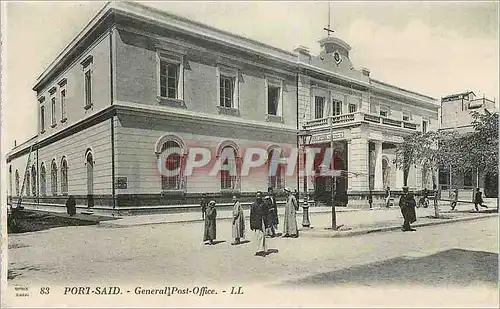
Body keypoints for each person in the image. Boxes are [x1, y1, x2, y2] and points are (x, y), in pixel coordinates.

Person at [250, 191, 268, 256]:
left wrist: (266, 222)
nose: (258, 197)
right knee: (257, 236)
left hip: (262, 221)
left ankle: (262, 250)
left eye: (259, 196)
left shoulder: (264, 204)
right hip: (256, 222)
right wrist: (251, 225)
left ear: (261, 197)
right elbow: (252, 215)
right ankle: (258, 250)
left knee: (262, 235)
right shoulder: (253, 205)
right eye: (257, 196)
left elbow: (267, 213)